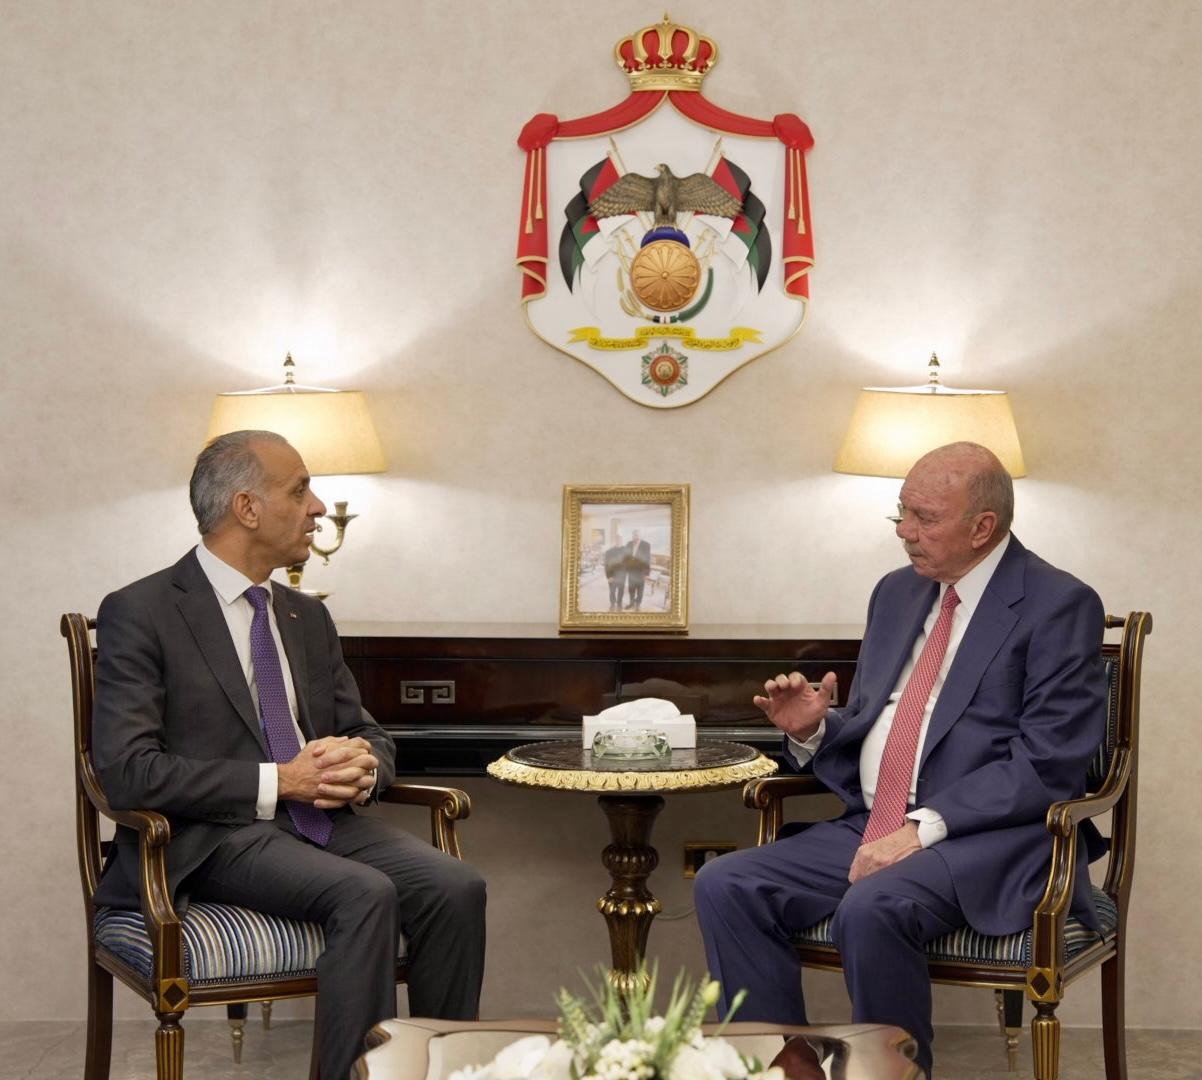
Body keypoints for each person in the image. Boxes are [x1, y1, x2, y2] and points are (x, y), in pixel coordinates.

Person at [694, 442, 1106, 1078]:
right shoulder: (895, 592)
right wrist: (815, 729)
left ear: (982, 527)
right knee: (726, 883)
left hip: (986, 838)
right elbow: (881, 720)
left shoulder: (1058, 603)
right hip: (874, 822)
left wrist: (921, 829)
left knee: (873, 904)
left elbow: (1048, 763)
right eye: (901, 513)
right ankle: (783, 1069)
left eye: (925, 518)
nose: (905, 533)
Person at [92, 430, 486, 1080]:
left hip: (320, 823)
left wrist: (362, 766)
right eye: (300, 490)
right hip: (208, 836)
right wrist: (282, 780)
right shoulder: (142, 611)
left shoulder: (306, 616)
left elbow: (366, 731)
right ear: (247, 508)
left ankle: (436, 1072)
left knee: (457, 886)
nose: (318, 507)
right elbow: (127, 771)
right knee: (365, 894)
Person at [624, 528, 652, 611]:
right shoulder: (628, 543)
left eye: (637, 535)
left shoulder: (646, 544)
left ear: (640, 535)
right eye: (634, 535)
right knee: (631, 589)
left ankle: (638, 604)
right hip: (631, 571)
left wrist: (647, 573)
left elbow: (647, 559)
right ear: (632, 536)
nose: (635, 537)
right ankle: (631, 603)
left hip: (641, 571)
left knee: (640, 589)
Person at [604, 533, 628, 612]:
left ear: (622, 541)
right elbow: (606, 565)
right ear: (614, 541)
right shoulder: (609, 551)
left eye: (620, 540)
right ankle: (612, 603)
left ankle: (619, 603)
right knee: (612, 591)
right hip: (612, 575)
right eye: (617, 540)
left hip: (622, 575)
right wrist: (609, 576)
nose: (618, 541)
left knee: (621, 591)